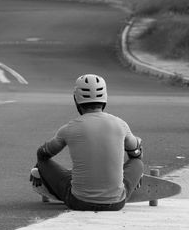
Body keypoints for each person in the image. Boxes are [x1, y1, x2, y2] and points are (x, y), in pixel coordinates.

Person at [30, 74, 144, 211]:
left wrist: (40, 168)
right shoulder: (120, 124)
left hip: (79, 202)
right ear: (105, 99)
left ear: (76, 99)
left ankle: (50, 185)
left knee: (43, 162)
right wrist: (137, 156)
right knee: (137, 162)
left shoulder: (69, 128)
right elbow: (136, 153)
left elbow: (43, 154)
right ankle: (128, 182)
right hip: (116, 203)